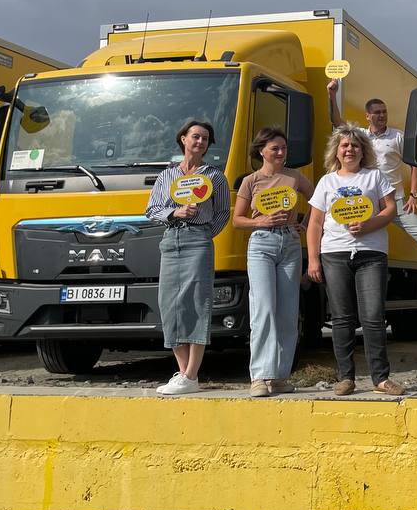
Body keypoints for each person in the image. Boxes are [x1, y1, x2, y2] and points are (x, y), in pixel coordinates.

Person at [306, 125, 403, 396]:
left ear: (363, 150)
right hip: (334, 253)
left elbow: (390, 209)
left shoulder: (375, 176)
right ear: (336, 151)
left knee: (373, 316)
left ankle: (381, 379)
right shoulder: (327, 182)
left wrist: (369, 224)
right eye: (344, 145)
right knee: (341, 318)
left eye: (355, 145)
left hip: (372, 253)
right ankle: (346, 378)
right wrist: (313, 259)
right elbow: (315, 223)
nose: (350, 150)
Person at [145, 119, 231, 396]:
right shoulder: (166, 175)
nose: (200, 142)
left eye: (205, 138)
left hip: (198, 240)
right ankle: (184, 374)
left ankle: (191, 373)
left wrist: (203, 232)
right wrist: (175, 213)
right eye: (196, 136)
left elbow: (222, 213)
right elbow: (152, 209)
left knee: (196, 302)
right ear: (183, 139)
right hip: (171, 239)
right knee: (169, 304)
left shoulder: (214, 176)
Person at [233, 127, 315, 398]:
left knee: (288, 313)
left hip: (290, 243)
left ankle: (280, 376)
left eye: (284, 148)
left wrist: (305, 223)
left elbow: (318, 200)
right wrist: (261, 221)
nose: (281, 152)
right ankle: (259, 376)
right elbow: (237, 220)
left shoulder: (294, 176)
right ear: (261, 151)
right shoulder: (251, 180)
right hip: (261, 244)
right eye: (275, 148)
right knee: (264, 309)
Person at [328, 80, 417, 261]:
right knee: (353, 236)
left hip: (394, 199)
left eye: (384, 112)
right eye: (377, 112)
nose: (382, 115)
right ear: (367, 116)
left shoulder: (397, 137)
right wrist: (332, 95)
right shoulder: (360, 136)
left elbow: (414, 164)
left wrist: (413, 194)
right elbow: (337, 122)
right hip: (366, 199)